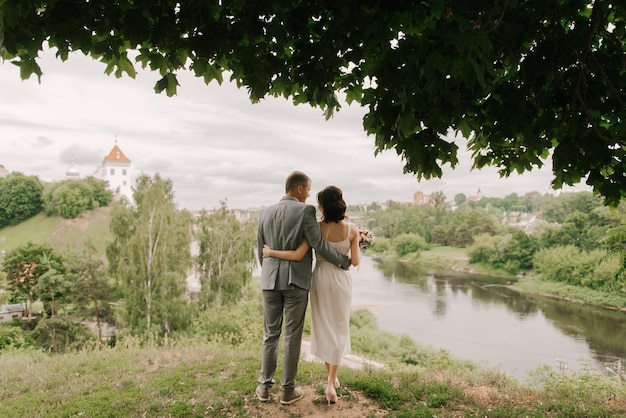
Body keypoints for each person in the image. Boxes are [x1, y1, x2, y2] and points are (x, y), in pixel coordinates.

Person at [256, 171, 351, 405]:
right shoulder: (305, 210)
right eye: (308, 190)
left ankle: (264, 387)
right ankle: (288, 391)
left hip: (269, 282)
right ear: (299, 189)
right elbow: (317, 243)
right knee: (292, 336)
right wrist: (343, 261)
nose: (309, 195)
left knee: (270, 335)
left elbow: (261, 250)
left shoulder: (264, 212)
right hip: (295, 283)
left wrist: (269, 275)